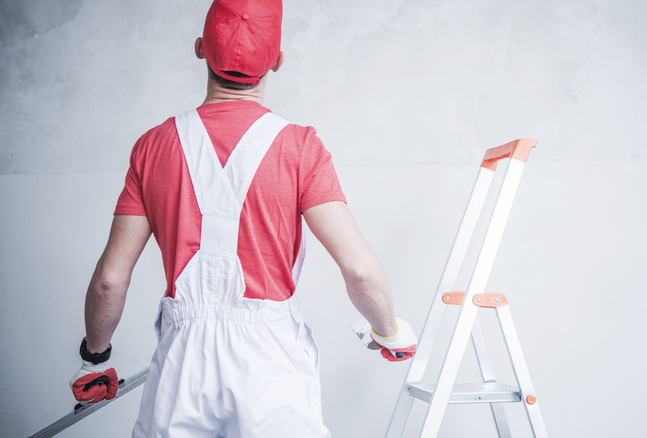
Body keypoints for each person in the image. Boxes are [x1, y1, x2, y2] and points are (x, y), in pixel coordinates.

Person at [68, 0, 418, 436]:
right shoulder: (300, 148)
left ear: (200, 48)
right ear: (277, 60)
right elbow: (361, 271)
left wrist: (94, 360)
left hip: (182, 367)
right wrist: (389, 332)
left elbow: (109, 280)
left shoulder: (152, 147)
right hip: (270, 366)